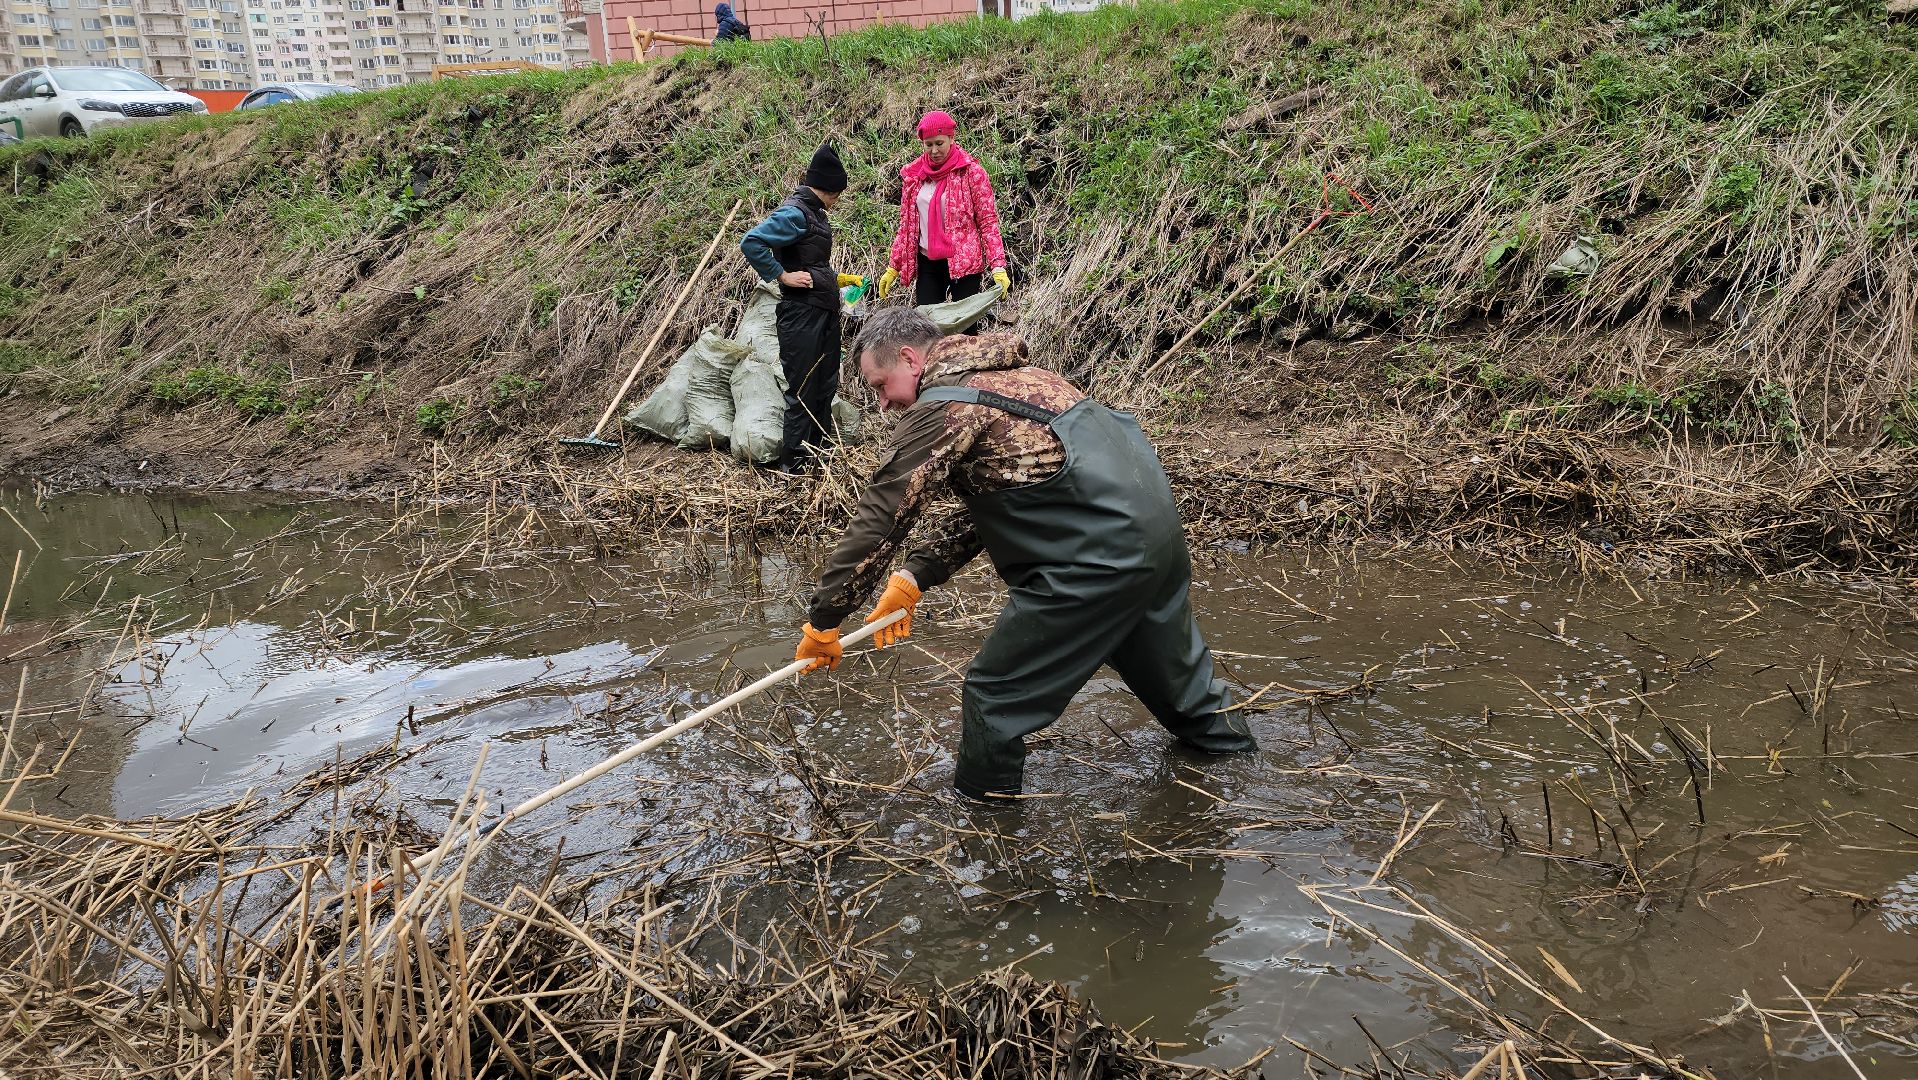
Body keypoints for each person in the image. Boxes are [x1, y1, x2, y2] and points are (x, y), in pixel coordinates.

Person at [792, 308, 1256, 800]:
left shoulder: (945, 406)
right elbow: (1013, 493)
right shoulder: (1029, 380)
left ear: (909, 358)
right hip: (1154, 547)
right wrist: (916, 575)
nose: (883, 403)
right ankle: (1246, 786)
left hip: (1090, 565)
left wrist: (825, 620)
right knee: (1186, 693)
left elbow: (882, 516)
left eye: (881, 386)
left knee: (994, 695)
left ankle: (986, 824)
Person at [739, 143, 862, 474]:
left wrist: (836, 279)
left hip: (822, 311)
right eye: (839, 193)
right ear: (830, 187)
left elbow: (811, 263)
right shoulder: (795, 213)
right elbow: (752, 242)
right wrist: (781, 275)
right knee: (804, 389)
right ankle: (793, 467)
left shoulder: (815, 214)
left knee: (825, 386)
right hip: (801, 315)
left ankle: (818, 457)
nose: (838, 200)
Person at [876, 111, 1011, 307]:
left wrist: (997, 266)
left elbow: (987, 221)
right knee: (927, 321)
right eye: (928, 144)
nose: (934, 150)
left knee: (966, 324)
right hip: (928, 262)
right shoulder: (914, 177)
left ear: (951, 138)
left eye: (939, 143)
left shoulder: (971, 173)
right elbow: (907, 226)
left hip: (964, 263)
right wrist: (893, 266)